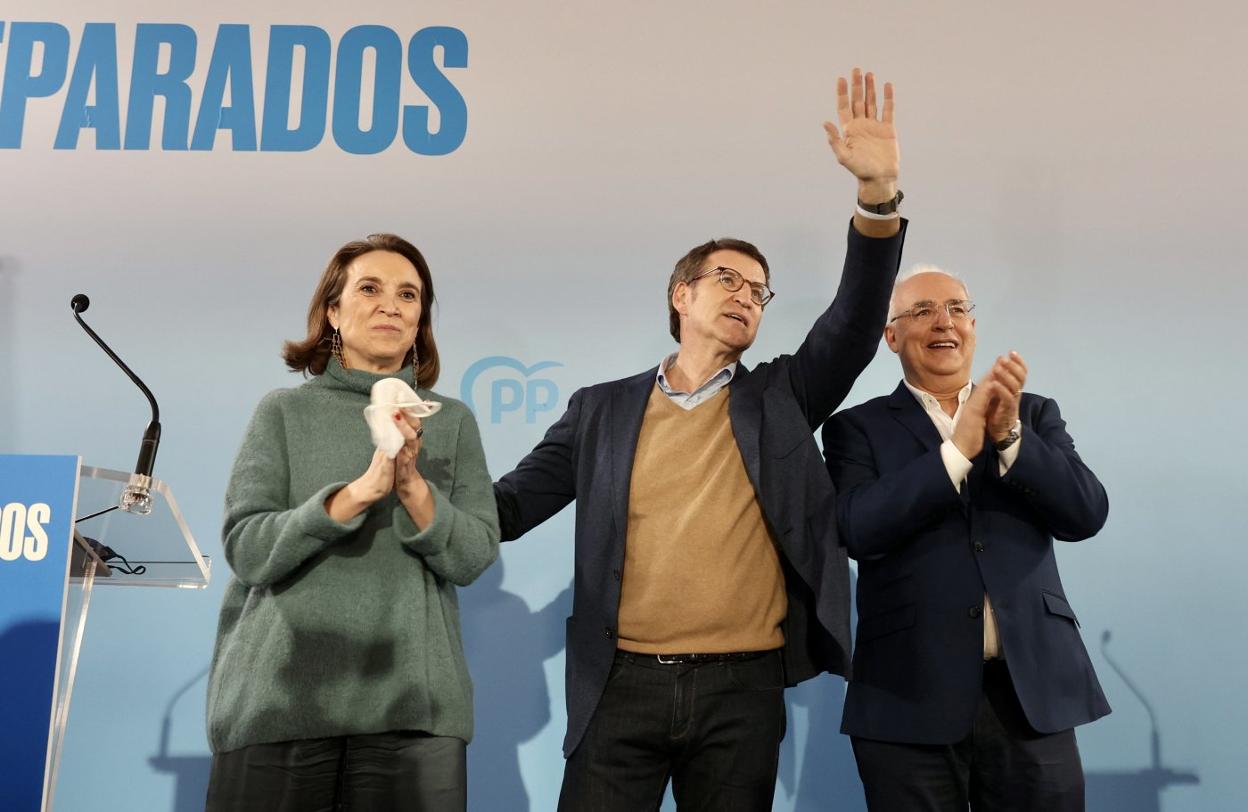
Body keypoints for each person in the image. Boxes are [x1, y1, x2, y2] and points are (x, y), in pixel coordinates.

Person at [494, 68, 906, 810]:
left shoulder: (782, 394)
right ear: (681, 295)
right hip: (619, 684)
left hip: (740, 688)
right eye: (728, 279)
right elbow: (510, 508)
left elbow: (852, 322)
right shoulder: (601, 410)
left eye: (759, 291)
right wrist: (413, 487)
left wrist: (877, 201)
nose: (747, 297)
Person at [204, 234, 499, 811]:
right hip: (279, 703)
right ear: (333, 312)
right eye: (370, 288)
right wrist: (360, 493)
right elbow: (249, 549)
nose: (391, 305)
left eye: (409, 295)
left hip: (414, 710)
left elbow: (473, 555)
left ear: (420, 321)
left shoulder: (453, 421)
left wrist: (412, 486)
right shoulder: (284, 411)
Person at [822, 266, 1110, 811]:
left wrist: (1007, 437)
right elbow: (858, 528)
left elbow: (1086, 513)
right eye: (923, 311)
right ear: (891, 336)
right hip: (908, 696)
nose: (944, 321)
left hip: (1030, 695)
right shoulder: (855, 428)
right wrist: (955, 454)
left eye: (957, 308)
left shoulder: (1033, 413)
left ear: (973, 327)